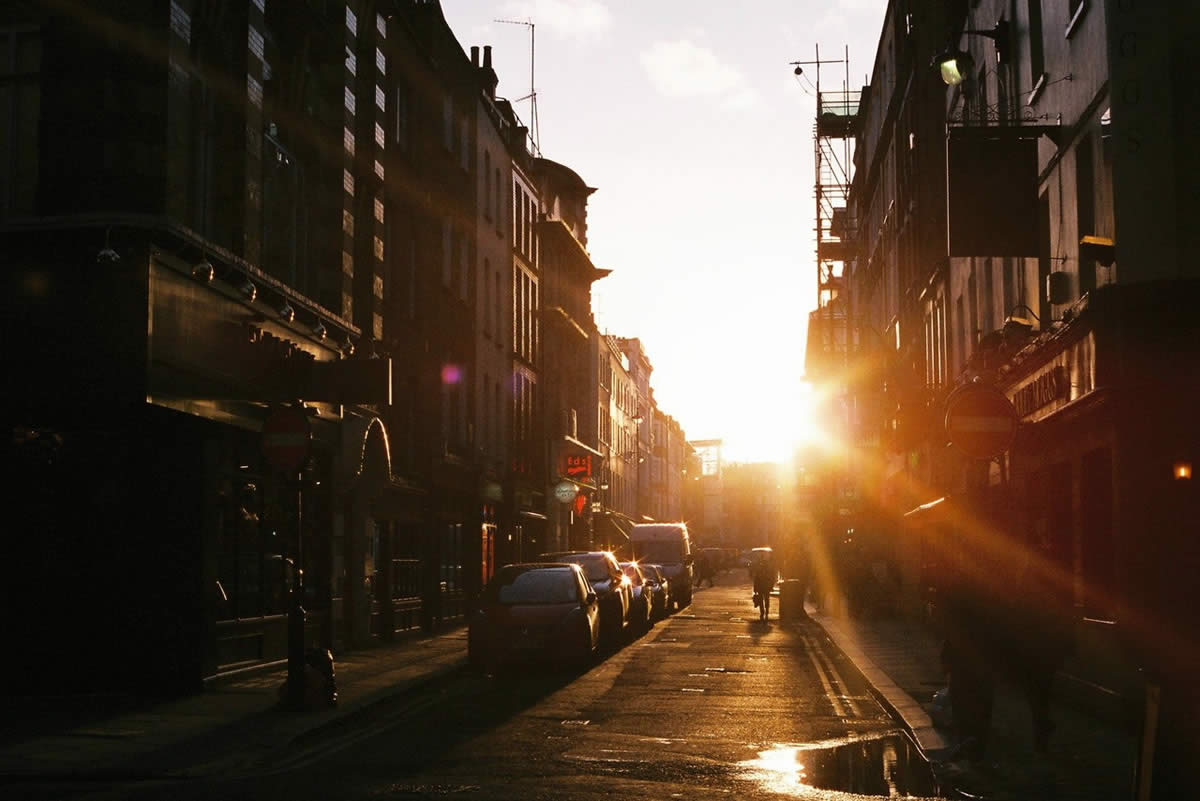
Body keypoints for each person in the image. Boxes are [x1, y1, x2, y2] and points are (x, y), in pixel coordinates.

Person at [752, 552, 776, 621]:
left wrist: (755, 588)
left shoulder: (759, 569)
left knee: (761, 600)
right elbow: (771, 578)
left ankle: (763, 612)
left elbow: (756, 579)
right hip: (765, 586)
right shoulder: (768, 569)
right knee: (766, 599)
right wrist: (771, 586)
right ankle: (766, 611)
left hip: (761, 586)